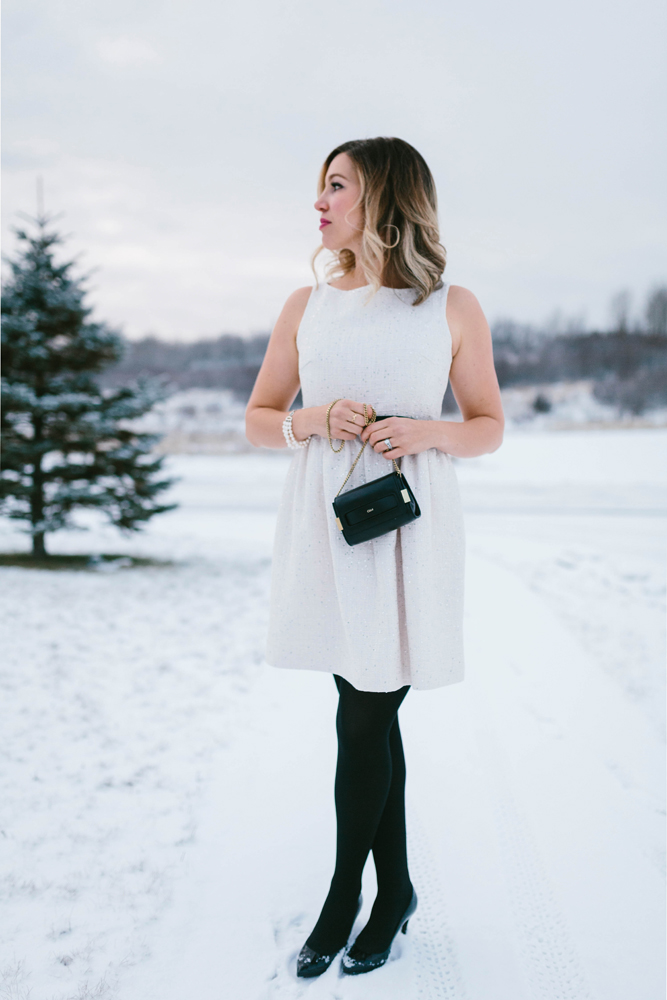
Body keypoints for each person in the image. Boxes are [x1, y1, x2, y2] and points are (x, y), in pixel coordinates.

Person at [245, 136, 504, 978]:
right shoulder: (303, 305)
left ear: (383, 197)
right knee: (367, 712)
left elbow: (487, 425)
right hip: (327, 530)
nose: (317, 204)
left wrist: (424, 430)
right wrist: (312, 420)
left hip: (407, 533)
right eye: (318, 187)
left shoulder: (451, 306)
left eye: (334, 187)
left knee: (366, 712)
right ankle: (389, 893)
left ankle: (347, 897)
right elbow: (259, 415)